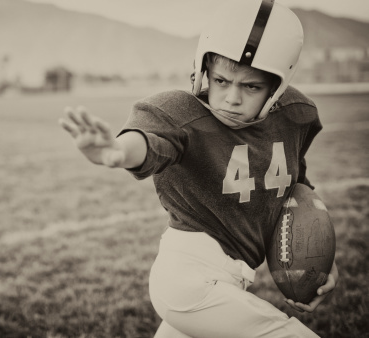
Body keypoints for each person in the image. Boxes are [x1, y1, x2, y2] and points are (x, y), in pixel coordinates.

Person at [59, 0, 338, 336]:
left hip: (228, 281)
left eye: (250, 86)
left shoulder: (295, 115)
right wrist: (117, 151)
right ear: (202, 71)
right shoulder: (182, 113)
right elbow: (149, 141)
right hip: (187, 280)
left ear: (277, 89)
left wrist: (322, 259)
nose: (231, 98)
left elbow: (297, 195)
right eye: (221, 81)